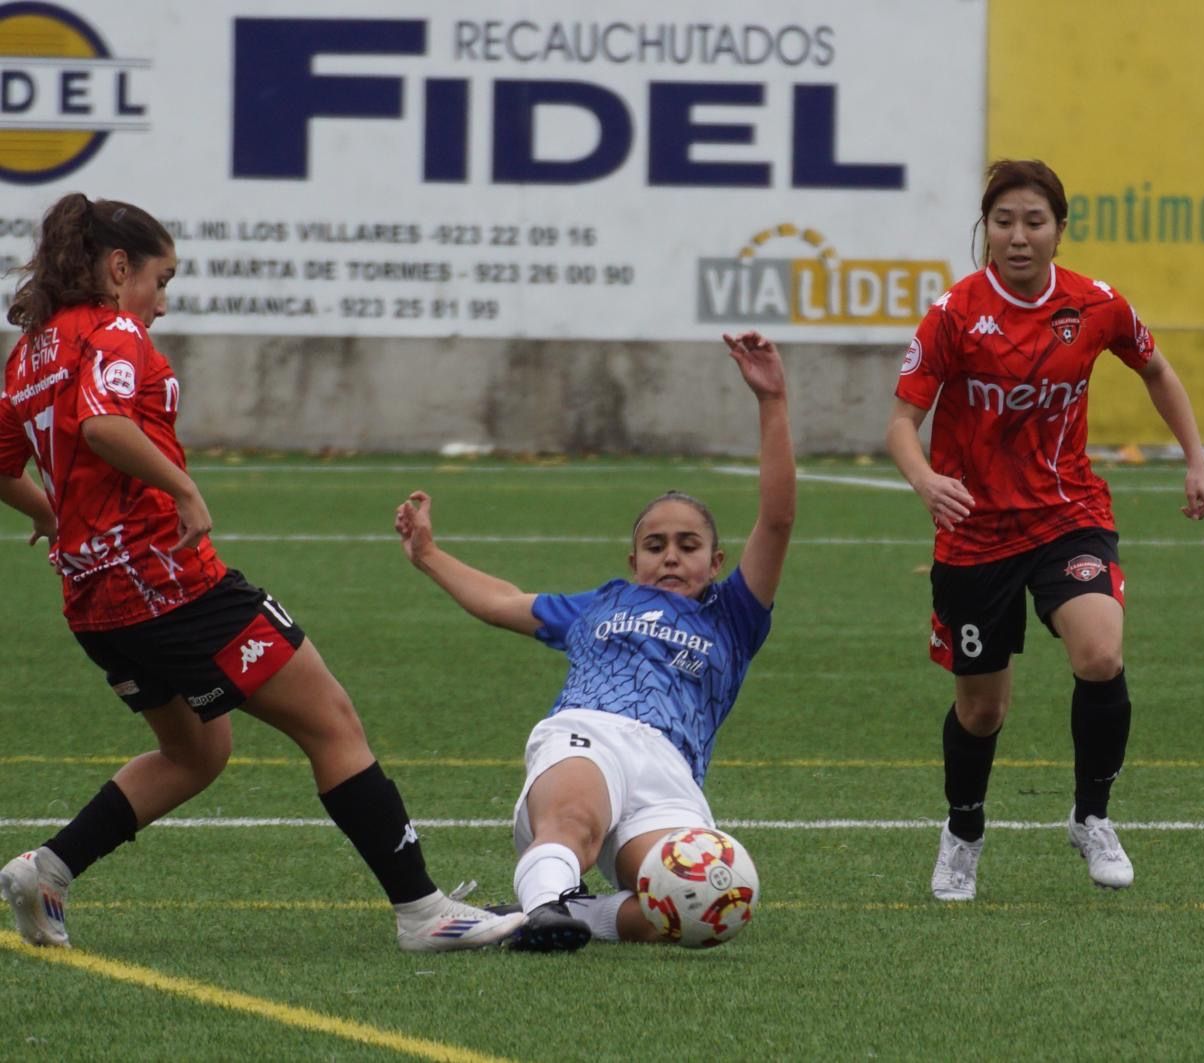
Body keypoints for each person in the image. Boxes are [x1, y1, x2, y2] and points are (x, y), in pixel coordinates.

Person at [0, 193, 523, 952]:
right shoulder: (113, 329)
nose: (163, 303)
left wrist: (50, 515)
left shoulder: (31, 350)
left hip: (94, 602)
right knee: (333, 721)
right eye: (160, 279)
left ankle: (48, 869)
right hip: (170, 584)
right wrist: (183, 487)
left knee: (196, 752)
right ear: (118, 269)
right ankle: (423, 910)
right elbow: (103, 423)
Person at [886, 159, 1204, 900]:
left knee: (1100, 654)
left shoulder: (1096, 304)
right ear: (986, 229)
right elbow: (901, 424)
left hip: (1068, 513)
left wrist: (1195, 462)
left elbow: (1158, 371)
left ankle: (1092, 817)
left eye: (1034, 221)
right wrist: (924, 479)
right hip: (975, 533)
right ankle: (964, 833)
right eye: (1003, 221)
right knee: (983, 708)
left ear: (1060, 230)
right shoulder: (953, 314)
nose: (1017, 236)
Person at [393, 330, 794, 951]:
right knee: (574, 821)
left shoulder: (733, 616)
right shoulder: (603, 604)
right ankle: (548, 907)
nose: (670, 556)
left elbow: (777, 518)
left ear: (716, 561)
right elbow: (503, 603)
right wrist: (428, 555)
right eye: (655, 545)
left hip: (670, 770)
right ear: (634, 559)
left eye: (688, 546)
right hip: (591, 732)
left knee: (700, 905)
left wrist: (772, 401)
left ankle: (559, 911)